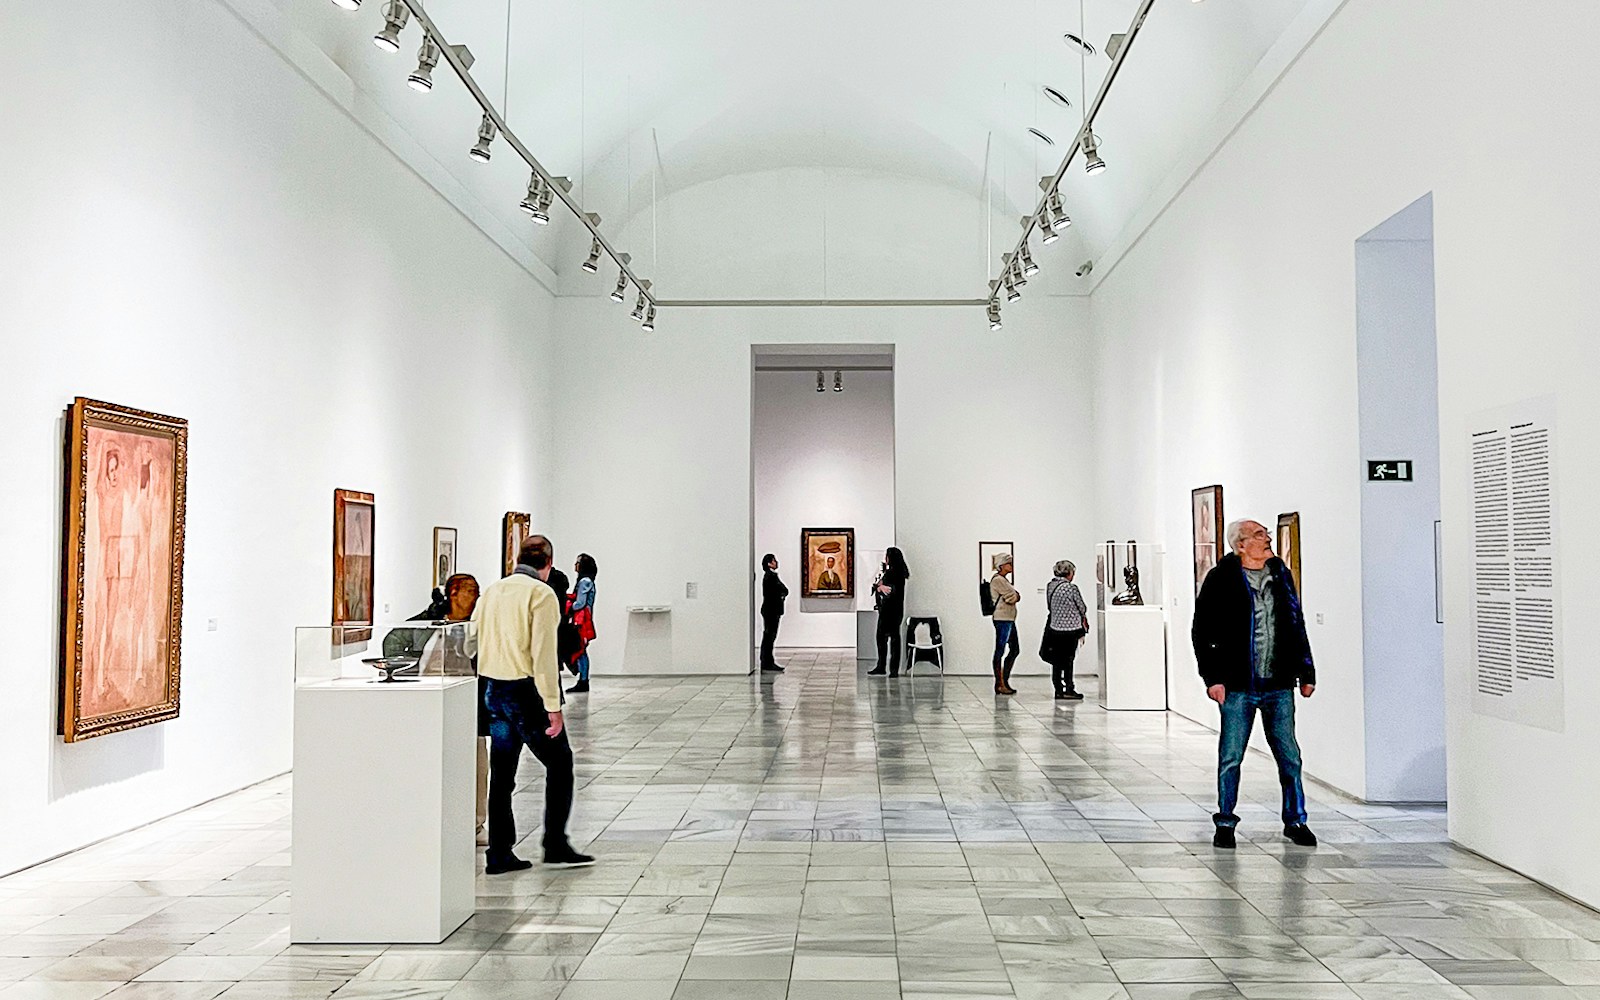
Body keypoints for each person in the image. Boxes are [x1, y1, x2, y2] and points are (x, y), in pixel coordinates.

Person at [469, 537, 594, 872]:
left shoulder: (493, 591)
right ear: (548, 563)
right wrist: (553, 707)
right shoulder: (541, 594)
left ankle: (499, 851)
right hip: (525, 694)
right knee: (560, 763)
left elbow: (470, 640)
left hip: (493, 691)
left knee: (503, 774)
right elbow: (542, 656)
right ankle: (554, 842)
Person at [1193, 519, 1317, 851]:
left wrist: (1307, 673)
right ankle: (1225, 822)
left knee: (1290, 756)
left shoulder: (1280, 575)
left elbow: (1295, 622)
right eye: (1259, 535)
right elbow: (1203, 631)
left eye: (1266, 534)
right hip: (1238, 686)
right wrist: (1213, 678)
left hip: (1278, 685)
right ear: (1241, 545)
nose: (1267, 539)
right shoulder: (1221, 579)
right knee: (1231, 756)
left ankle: (1296, 820)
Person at [1041, 560, 1088, 700]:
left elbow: (1049, 606)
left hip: (1055, 628)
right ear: (1069, 573)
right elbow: (1082, 607)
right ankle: (1069, 688)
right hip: (1071, 629)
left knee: (1056, 661)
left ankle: (1058, 689)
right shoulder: (1071, 588)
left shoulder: (1050, 585)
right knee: (1068, 660)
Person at [868, 548, 910, 677]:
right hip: (896, 610)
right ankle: (893, 670)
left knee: (882, 638)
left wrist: (879, 587)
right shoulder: (899, 573)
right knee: (894, 639)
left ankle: (882, 666)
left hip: (888, 610)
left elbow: (887, 590)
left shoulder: (892, 573)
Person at [567, 554, 598, 695]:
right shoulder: (587, 581)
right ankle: (583, 679)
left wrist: (566, 606)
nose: (575, 565)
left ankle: (583, 680)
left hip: (581, 620)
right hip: (583, 619)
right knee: (580, 650)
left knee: (580, 650)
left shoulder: (585, 581)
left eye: (577, 563)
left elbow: (580, 603)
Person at [989, 553, 1020, 695]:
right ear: (1001, 565)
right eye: (1009, 563)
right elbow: (1011, 597)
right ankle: (1000, 683)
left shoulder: (1003, 580)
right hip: (1002, 619)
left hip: (1008, 618)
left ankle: (1004, 681)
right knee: (1000, 650)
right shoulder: (998, 580)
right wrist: (1016, 595)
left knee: (1014, 649)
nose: (1011, 566)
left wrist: (1015, 595)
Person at [759, 554, 788, 673]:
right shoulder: (770, 577)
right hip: (772, 610)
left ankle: (767, 661)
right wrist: (782, 594)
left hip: (771, 610)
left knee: (769, 636)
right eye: (774, 561)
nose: (776, 563)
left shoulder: (770, 576)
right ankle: (767, 662)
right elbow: (782, 590)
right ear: (769, 563)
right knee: (769, 636)